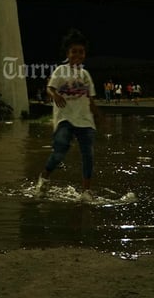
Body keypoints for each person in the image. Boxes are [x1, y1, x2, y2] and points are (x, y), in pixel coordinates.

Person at [34, 28, 102, 200]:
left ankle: (86, 191)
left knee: (88, 155)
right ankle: (44, 178)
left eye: (81, 51)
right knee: (59, 152)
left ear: (85, 54)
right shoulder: (60, 71)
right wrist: (55, 95)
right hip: (65, 119)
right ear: (68, 53)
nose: (78, 55)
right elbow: (49, 88)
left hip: (85, 121)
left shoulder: (85, 75)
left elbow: (91, 98)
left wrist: (99, 115)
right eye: (74, 51)